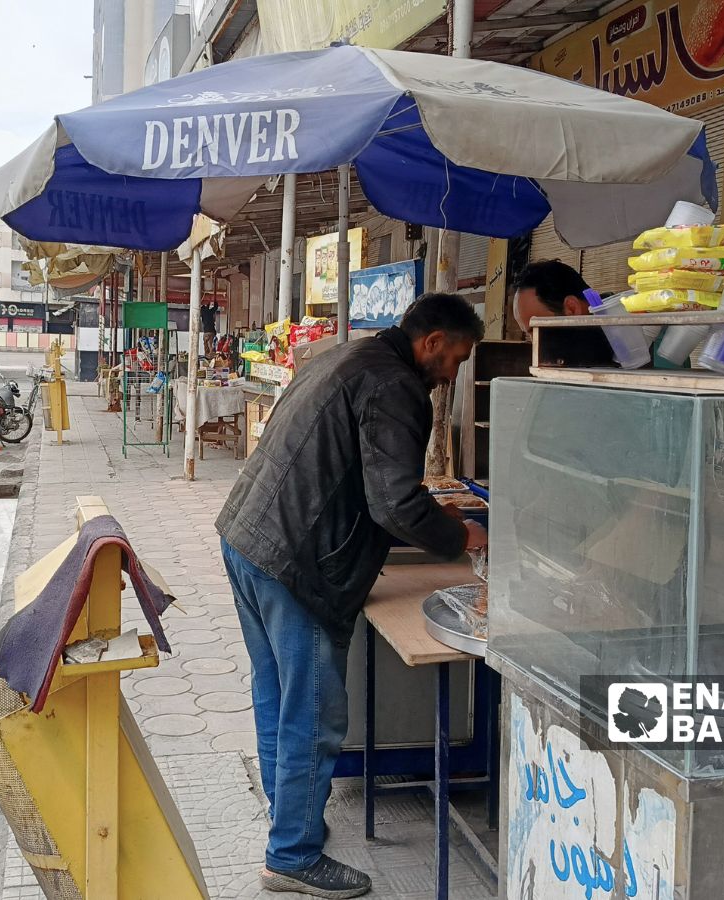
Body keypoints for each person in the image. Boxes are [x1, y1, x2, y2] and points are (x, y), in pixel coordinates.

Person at [217, 293, 488, 898]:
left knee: (277, 694)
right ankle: (291, 856)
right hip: (296, 563)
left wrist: (425, 515)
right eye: (458, 358)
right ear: (433, 342)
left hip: (247, 536)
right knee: (313, 715)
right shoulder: (397, 386)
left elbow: (363, 477)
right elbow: (393, 501)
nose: (455, 373)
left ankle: (290, 824)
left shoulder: (346, 356)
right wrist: (456, 533)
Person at [512, 259, 614, 367]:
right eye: (530, 335)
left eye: (536, 329)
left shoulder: (628, 339)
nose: (536, 345)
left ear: (572, 308)